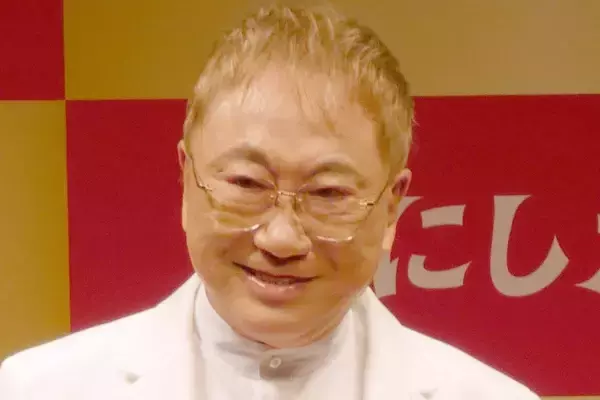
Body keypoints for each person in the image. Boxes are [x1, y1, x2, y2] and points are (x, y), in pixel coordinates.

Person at [0, 4, 539, 400]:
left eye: (328, 193)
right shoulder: (38, 390)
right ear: (187, 178)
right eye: (247, 184)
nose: (281, 239)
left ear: (391, 207)